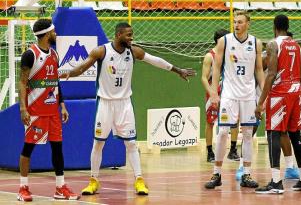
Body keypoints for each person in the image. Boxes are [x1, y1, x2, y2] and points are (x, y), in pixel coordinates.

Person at [61, 22, 196, 196]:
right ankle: (93, 180)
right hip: (105, 103)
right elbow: (82, 67)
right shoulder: (101, 51)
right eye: (128, 35)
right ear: (118, 35)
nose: (132, 38)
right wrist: (69, 74)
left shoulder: (133, 51)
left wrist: (178, 70)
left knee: (131, 143)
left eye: (132, 34)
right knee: (98, 143)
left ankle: (139, 180)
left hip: (124, 103)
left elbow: (155, 61)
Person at [17, 19, 80, 202]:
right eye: (53, 31)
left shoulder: (54, 54)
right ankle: (23, 187)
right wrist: (23, 108)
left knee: (57, 148)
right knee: (28, 147)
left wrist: (62, 104)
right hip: (35, 110)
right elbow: (22, 82)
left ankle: (60, 187)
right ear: (46, 34)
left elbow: (55, 82)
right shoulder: (30, 55)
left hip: (53, 111)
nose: (56, 34)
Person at [204, 11, 265, 189]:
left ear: (248, 24)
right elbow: (216, 67)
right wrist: (214, 92)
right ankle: (217, 173)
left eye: (239, 22)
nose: (236, 25)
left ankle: (246, 174)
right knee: (223, 133)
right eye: (234, 22)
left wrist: (263, 94)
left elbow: (260, 70)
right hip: (229, 94)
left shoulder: (256, 43)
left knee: (247, 134)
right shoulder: (225, 41)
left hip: (248, 95)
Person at [255, 15, 301, 193]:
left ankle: (276, 182)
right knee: (295, 135)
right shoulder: (296, 45)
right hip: (296, 92)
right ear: (287, 26)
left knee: (273, 134)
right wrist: (300, 96)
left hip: (280, 92)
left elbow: (271, 74)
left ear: (274, 26)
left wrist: (261, 102)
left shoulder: (273, 44)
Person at [201, 29, 240, 163]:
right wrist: (212, 92)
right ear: (219, 40)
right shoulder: (209, 56)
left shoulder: (230, 55)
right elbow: (204, 78)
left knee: (235, 119)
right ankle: (210, 151)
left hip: (229, 92)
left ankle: (233, 150)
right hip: (214, 92)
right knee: (210, 122)